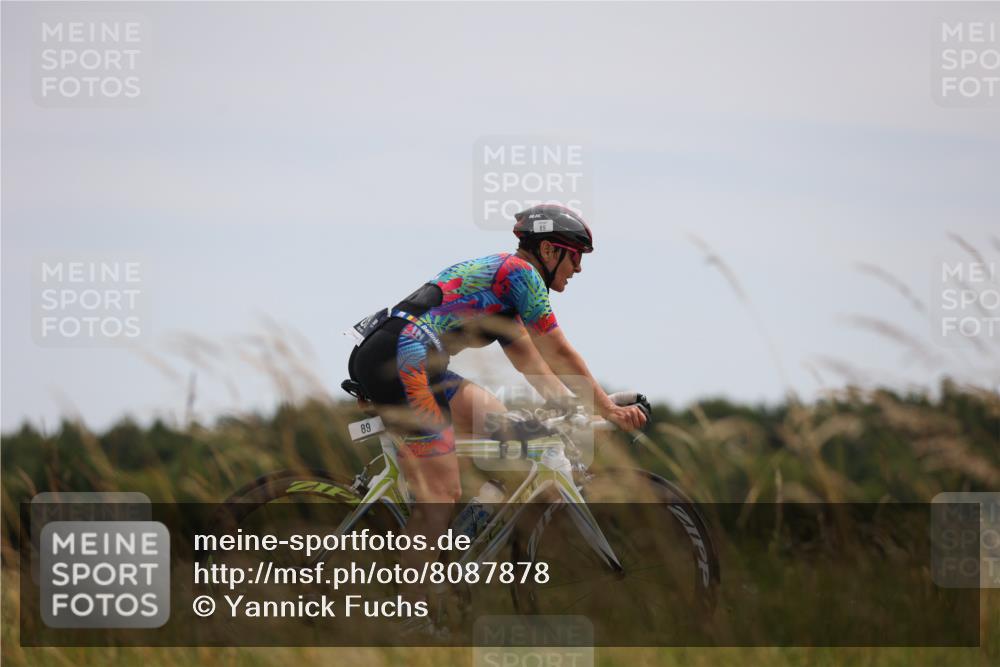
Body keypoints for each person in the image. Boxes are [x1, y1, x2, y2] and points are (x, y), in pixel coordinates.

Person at [345, 204, 647, 600]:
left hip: (415, 362)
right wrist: (606, 406)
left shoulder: (505, 292)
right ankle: (410, 615)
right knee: (442, 491)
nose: (578, 269)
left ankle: (451, 554)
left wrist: (574, 411)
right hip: (402, 359)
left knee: (511, 436)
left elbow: (535, 366)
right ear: (550, 252)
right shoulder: (521, 275)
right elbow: (557, 349)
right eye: (574, 257)